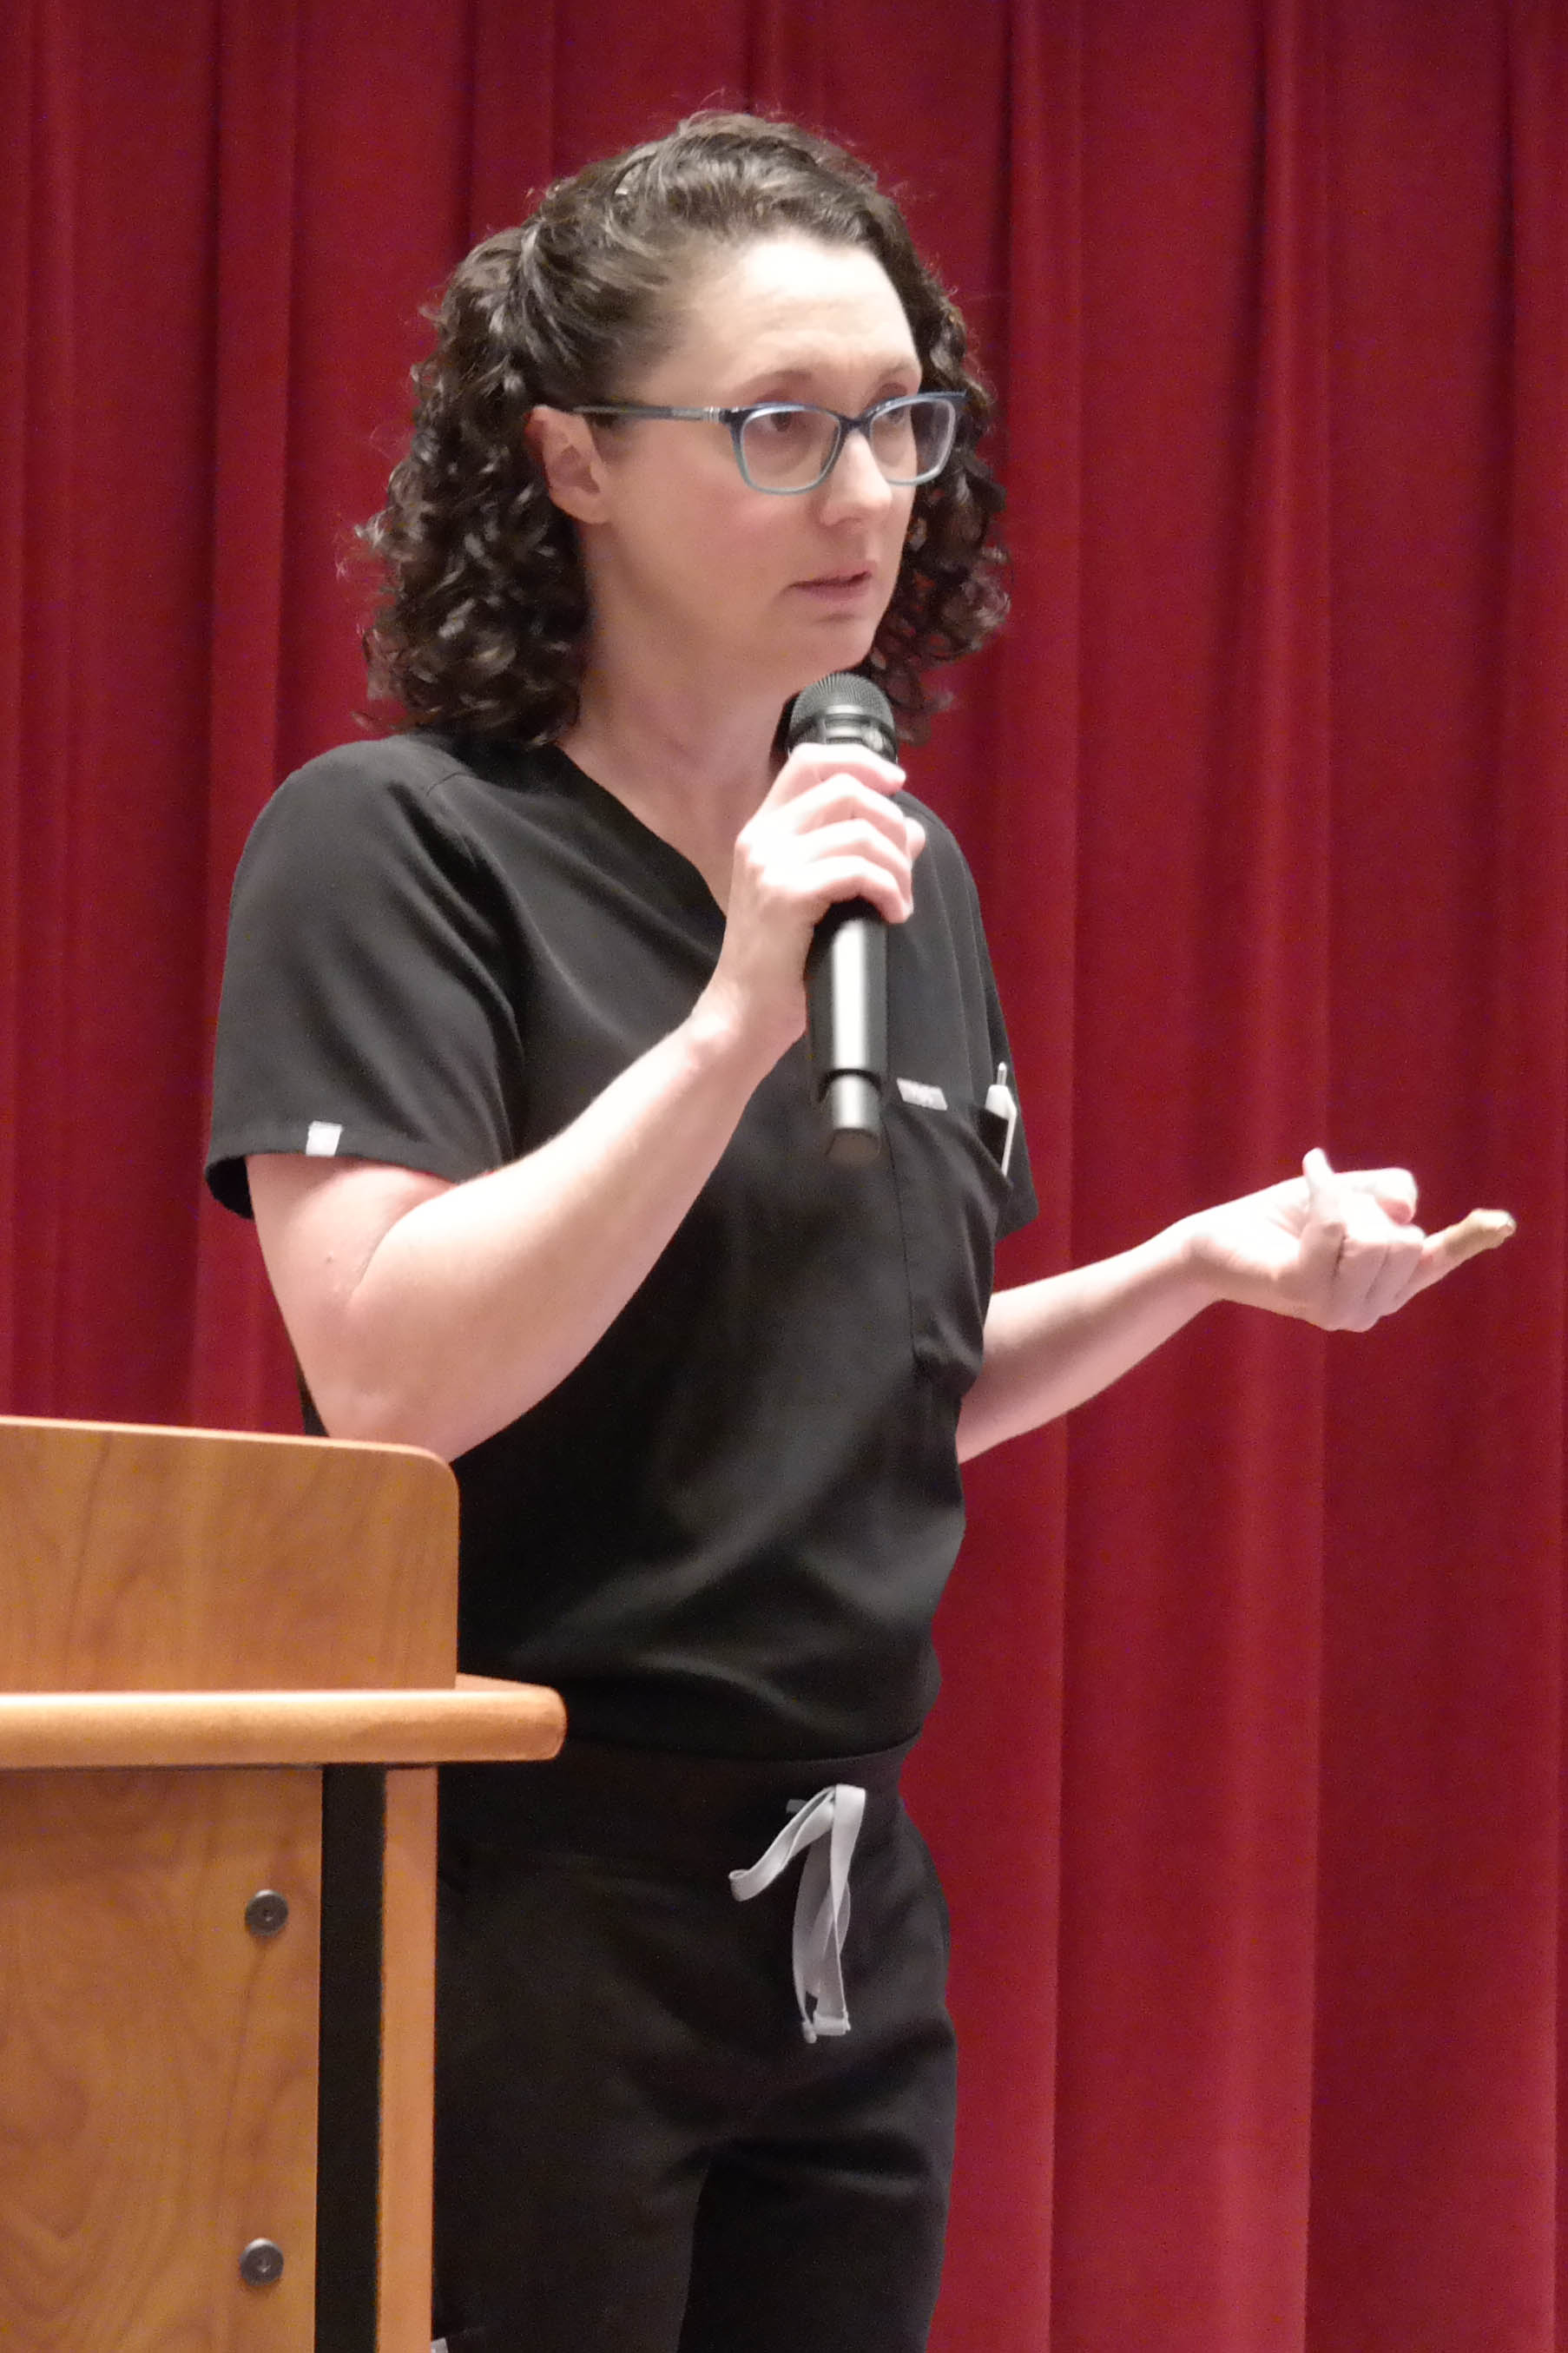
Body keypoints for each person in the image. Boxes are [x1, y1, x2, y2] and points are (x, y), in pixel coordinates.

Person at [206, 113, 1511, 2353]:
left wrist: (1195, 1266)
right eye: (780, 428)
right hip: (516, 1885)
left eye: (901, 420)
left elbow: (855, 1393)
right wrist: (729, 1010)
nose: (866, 493)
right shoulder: (396, 844)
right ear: (576, 461)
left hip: (835, 1905)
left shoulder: (894, 862)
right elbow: (394, 1374)